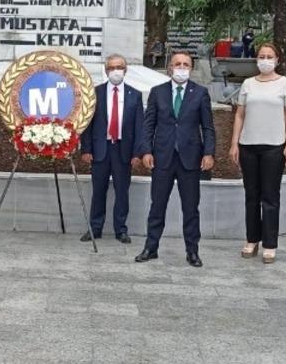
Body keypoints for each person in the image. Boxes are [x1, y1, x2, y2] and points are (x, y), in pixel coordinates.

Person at [135, 51, 216, 267]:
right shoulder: (157, 92)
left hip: (190, 159)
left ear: (191, 67)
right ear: (170, 67)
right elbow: (148, 125)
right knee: (157, 206)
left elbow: (207, 127)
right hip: (162, 158)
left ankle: (192, 251)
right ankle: (150, 247)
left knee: (190, 208)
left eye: (185, 64)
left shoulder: (200, 93)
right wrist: (146, 151)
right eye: (177, 64)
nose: (181, 67)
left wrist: (209, 153)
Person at [229, 43, 286, 264]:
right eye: (261, 56)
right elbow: (240, 114)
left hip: (274, 146)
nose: (265, 60)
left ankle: (270, 244)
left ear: (277, 59)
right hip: (248, 145)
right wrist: (234, 143)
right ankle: (252, 239)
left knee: (270, 197)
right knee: (251, 196)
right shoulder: (248, 84)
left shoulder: (285, 84)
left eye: (269, 56)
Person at [79, 54, 146, 244]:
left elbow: (139, 126)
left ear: (125, 70)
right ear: (106, 70)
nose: (116, 71)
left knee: (122, 192)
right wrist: (86, 149)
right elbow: (87, 123)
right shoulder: (96, 93)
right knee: (98, 191)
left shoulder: (135, 94)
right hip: (101, 149)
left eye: (119, 67)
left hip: (123, 150)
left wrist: (137, 153)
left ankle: (121, 230)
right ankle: (95, 228)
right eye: (112, 67)